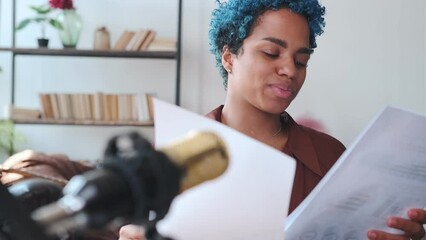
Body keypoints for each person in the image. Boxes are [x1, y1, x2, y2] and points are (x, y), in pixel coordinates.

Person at [120, 0, 426, 239]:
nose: (290, 70)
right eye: (271, 53)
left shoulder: (330, 157)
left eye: (301, 60)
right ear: (229, 57)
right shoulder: (171, 157)